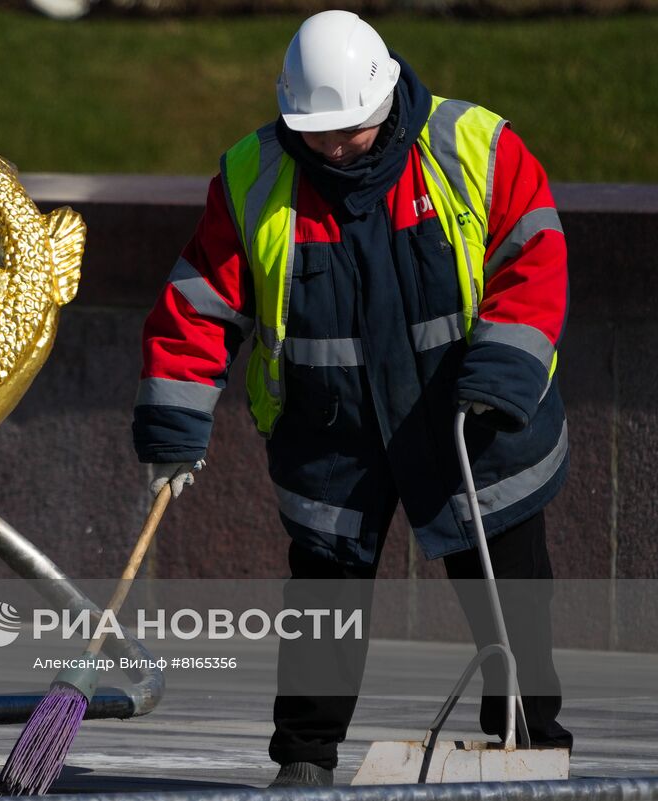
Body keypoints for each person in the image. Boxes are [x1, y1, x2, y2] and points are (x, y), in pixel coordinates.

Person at [132, 11, 572, 786]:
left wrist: (504, 374)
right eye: (319, 131)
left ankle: (529, 744)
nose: (334, 146)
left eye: (351, 129)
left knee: (512, 602)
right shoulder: (254, 175)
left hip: (471, 423)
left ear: (386, 96)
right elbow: (199, 303)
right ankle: (304, 760)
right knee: (322, 608)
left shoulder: (474, 147)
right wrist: (175, 425)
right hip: (332, 433)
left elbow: (531, 254)